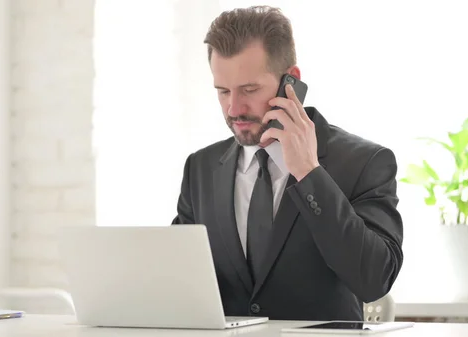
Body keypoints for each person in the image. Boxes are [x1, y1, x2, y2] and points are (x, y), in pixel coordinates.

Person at [172, 5, 404, 321]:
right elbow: (177, 277)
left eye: (249, 89)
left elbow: (375, 280)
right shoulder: (200, 168)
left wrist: (309, 171)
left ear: (290, 81)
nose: (233, 108)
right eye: (223, 91)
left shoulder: (365, 162)